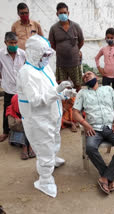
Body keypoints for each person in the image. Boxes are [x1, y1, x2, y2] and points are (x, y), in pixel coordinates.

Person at [16, 34, 77, 198]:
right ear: (34, 53)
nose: (47, 58)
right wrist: (57, 92)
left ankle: (53, 158)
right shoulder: (26, 73)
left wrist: (64, 94)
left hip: (51, 114)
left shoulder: (44, 67)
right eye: (44, 55)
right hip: (38, 119)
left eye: (48, 55)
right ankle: (45, 179)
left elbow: (51, 88)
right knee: (44, 147)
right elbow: (36, 100)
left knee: (54, 139)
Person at [73, 71, 114, 195]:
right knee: (90, 148)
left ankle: (105, 177)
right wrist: (86, 125)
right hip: (94, 129)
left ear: (96, 77)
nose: (86, 76)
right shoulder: (82, 93)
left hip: (111, 127)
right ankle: (109, 176)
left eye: (89, 74)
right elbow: (75, 113)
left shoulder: (108, 89)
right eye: (84, 76)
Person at [49, 2, 84, 91]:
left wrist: (76, 50)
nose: (63, 15)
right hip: (61, 63)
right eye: (61, 13)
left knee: (78, 85)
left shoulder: (76, 26)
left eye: (65, 12)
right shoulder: (54, 28)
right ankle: (65, 104)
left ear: (68, 13)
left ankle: (78, 103)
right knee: (62, 86)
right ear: (57, 14)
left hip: (74, 62)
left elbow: (81, 41)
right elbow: (51, 44)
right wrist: (61, 51)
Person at [0, 32, 26, 142]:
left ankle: (23, 131)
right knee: (7, 110)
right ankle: (6, 131)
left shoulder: (23, 54)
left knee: (23, 110)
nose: (14, 45)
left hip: (22, 88)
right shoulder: (1, 54)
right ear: (5, 42)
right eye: (11, 43)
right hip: (9, 88)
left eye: (15, 42)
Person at [95, 28, 114, 99]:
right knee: (105, 93)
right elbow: (96, 58)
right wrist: (99, 69)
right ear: (105, 38)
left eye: (111, 38)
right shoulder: (103, 49)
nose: (109, 39)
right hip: (106, 76)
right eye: (108, 37)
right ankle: (106, 108)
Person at [6, 94, 35, 160]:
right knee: (25, 128)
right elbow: (12, 125)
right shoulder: (11, 110)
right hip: (18, 134)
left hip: (30, 133)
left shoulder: (30, 109)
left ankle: (30, 146)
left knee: (30, 127)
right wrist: (24, 122)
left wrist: (23, 121)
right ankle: (25, 147)